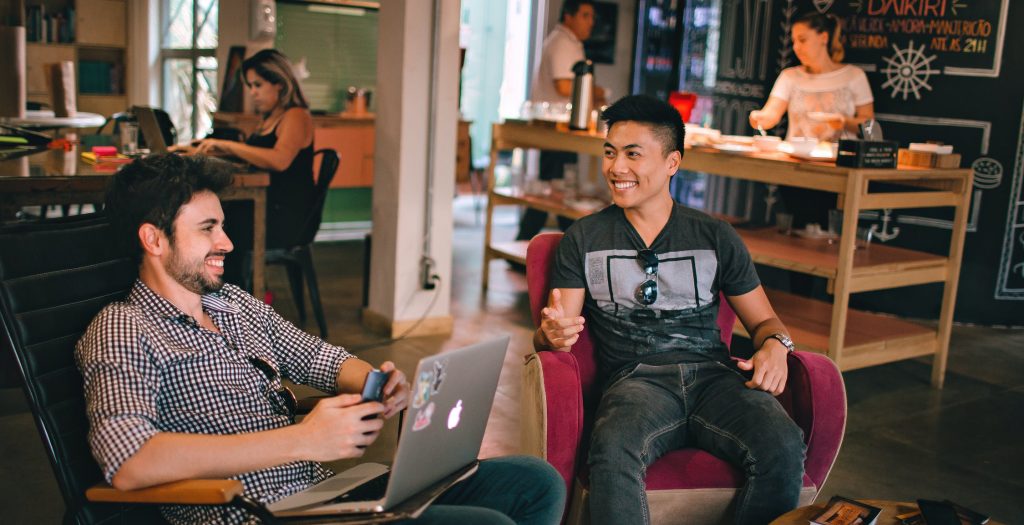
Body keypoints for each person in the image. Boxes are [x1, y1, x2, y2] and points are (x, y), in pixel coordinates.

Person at [78, 154, 565, 524]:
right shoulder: (124, 327)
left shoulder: (231, 303)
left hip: (321, 496)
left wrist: (374, 381)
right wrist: (301, 440)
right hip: (258, 513)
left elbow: (316, 357)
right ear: (154, 239)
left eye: (223, 226)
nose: (226, 242)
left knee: (535, 482)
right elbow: (130, 461)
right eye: (208, 229)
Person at [535, 95, 805, 525]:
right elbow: (556, 328)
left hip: (717, 378)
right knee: (612, 449)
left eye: (632, 154)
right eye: (610, 152)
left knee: (783, 443)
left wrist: (777, 344)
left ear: (672, 163)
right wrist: (549, 336)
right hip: (635, 381)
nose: (615, 167)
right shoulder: (584, 238)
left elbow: (765, 321)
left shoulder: (715, 235)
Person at [172, 49, 316, 285]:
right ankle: (210, 292)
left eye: (258, 85)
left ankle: (228, 298)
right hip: (267, 204)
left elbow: (279, 160)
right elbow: (255, 156)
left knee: (216, 227)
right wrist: (206, 149)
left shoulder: (296, 116)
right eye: (250, 86)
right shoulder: (269, 117)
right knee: (208, 220)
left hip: (285, 216)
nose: (253, 93)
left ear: (279, 83)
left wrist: (226, 146)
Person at [749, 12, 875, 229]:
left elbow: (869, 124)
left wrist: (843, 121)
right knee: (795, 228)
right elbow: (771, 115)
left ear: (823, 37)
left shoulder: (854, 76)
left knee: (830, 232)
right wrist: (758, 118)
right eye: (794, 41)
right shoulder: (790, 76)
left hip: (837, 168)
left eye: (803, 40)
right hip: (796, 166)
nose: (796, 47)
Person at [515, 0, 605, 244]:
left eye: (592, 17)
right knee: (556, 189)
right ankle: (540, 245)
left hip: (561, 129)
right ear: (569, 16)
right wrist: (596, 92)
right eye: (585, 15)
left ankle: (558, 244)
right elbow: (564, 85)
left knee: (557, 188)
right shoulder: (563, 42)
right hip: (557, 129)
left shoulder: (567, 42)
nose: (591, 22)